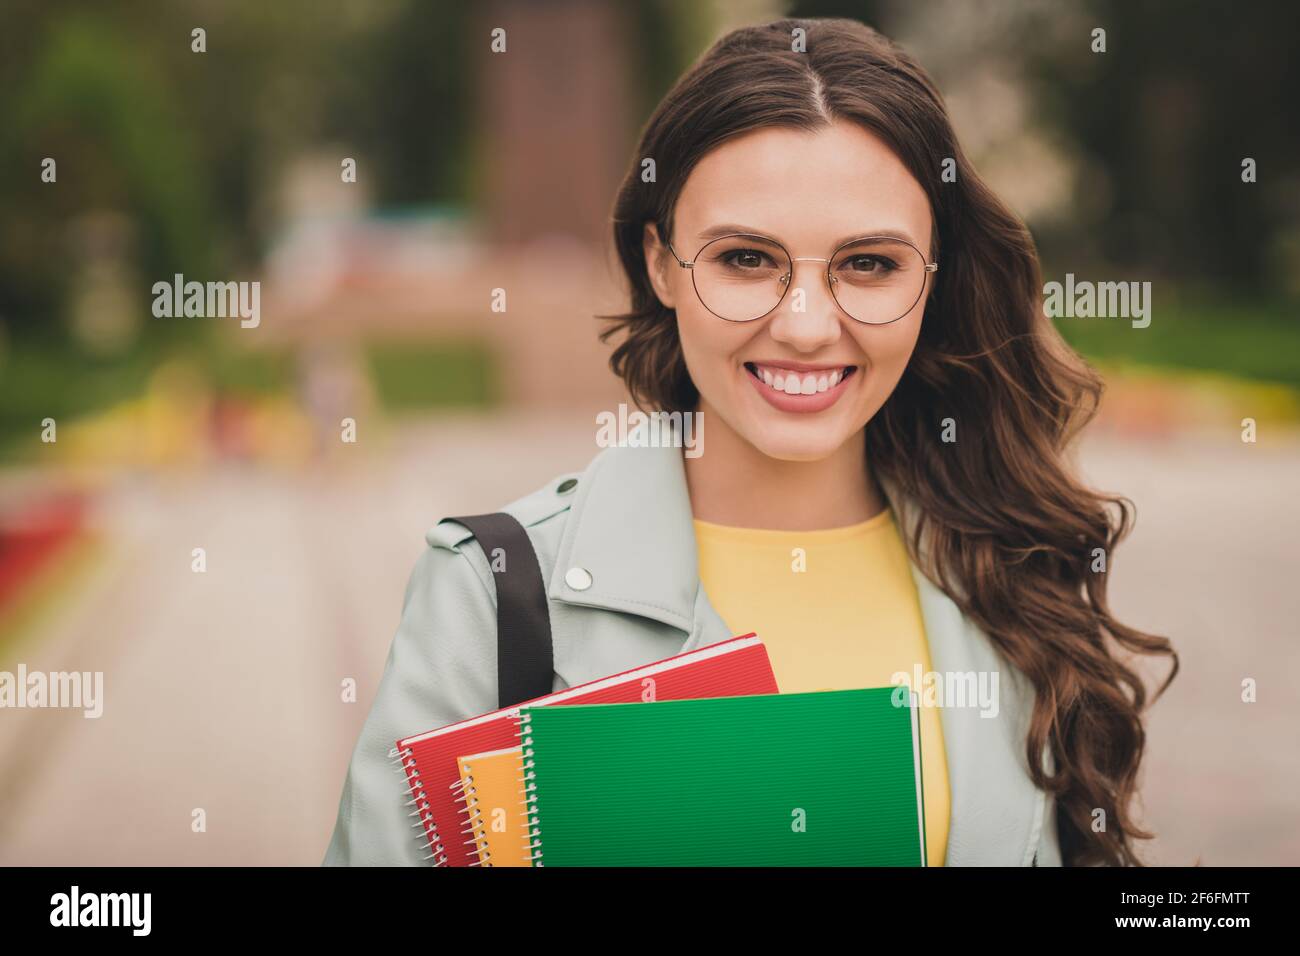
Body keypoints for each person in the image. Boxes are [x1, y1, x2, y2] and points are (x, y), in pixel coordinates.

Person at [323, 16, 1176, 867]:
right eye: (745, 259)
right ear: (660, 264)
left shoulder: (1011, 570)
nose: (806, 325)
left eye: (869, 264)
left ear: (935, 276)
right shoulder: (493, 596)